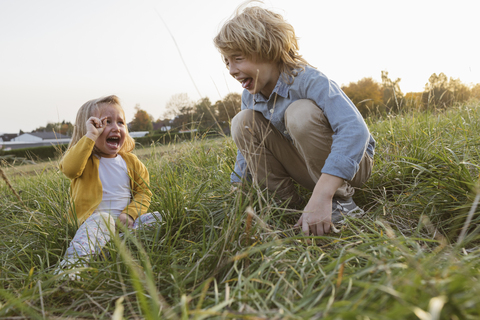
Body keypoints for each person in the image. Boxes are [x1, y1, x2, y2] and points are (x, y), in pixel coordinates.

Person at [213, 3, 375, 236]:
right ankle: (288, 205)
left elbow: (355, 130)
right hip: (306, 168)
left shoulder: (309, 80)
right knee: (242, 121)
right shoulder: (250, 96)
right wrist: (237, 186)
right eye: (227, 62)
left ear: (267, 49)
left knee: (299, 113)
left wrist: (323, 194)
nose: (231, 69)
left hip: (352, 166)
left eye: (237, 58)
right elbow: (245, 151)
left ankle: (339, 201)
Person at [56, 95, 161, 273]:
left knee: (159, 218)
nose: (115, 128)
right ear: (88, 129)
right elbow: (69, 169)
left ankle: (111, 249)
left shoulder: (131, 162)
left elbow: (144, 192)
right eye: (105, 123)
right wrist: (90, 136)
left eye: (121, 122)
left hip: (124, 225)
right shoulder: (85, 161)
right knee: (102, 219)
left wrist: (130, 214)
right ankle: (71, 267)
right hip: (92, 224)